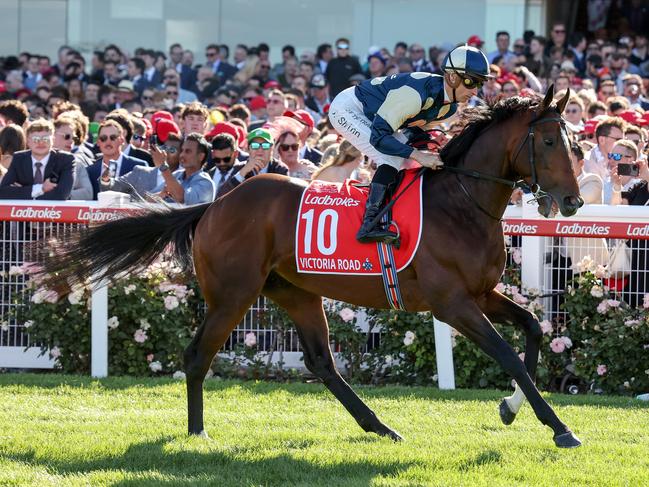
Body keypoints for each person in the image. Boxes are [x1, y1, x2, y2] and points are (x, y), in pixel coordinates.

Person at [329, 45, 490, 244]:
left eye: (480, 84)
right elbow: (379, 138)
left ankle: (391, 211)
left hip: (375, 116)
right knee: (389, 156)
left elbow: (413, 133)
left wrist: (433, 143)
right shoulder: (414, 95)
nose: (475, 91)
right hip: (347, 108)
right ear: (452, 77)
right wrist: (418, 154)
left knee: (402, 157)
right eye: (471, 81)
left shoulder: (448, 109)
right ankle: (369, 223)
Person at [0, 118, 75, 200]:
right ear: (28, 141)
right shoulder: (19, 158)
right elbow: (3, 192)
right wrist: (40, 189)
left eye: (45, 139)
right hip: (23, 211)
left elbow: (61, 194)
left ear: (52, 140)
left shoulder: (65, 160)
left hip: (55, 211)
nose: (41, 143)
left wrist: (24, 192)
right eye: (36, 139)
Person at [216, 128, 288, 197]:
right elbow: (221, 196)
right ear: (248, 149)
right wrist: (242, 173)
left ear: (272, 148)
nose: (260, 149)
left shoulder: (280, 169)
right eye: (255, 145)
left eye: (265, 145)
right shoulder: (239, 168)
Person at [87, 120, 146, 199]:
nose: (108, 142)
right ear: (98, 142)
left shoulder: (139, 167)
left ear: (122, 140)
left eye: (113, 137)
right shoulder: (90, 171)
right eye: (103, 138)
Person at [150, 132, 215, 205]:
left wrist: (163, 166)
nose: (182, 155)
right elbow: (147, 198)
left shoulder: (206, 183)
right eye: (182, 150)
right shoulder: (176, 175)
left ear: (201, 156)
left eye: (188, 151)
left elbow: (181, 198)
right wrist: (161, 194)